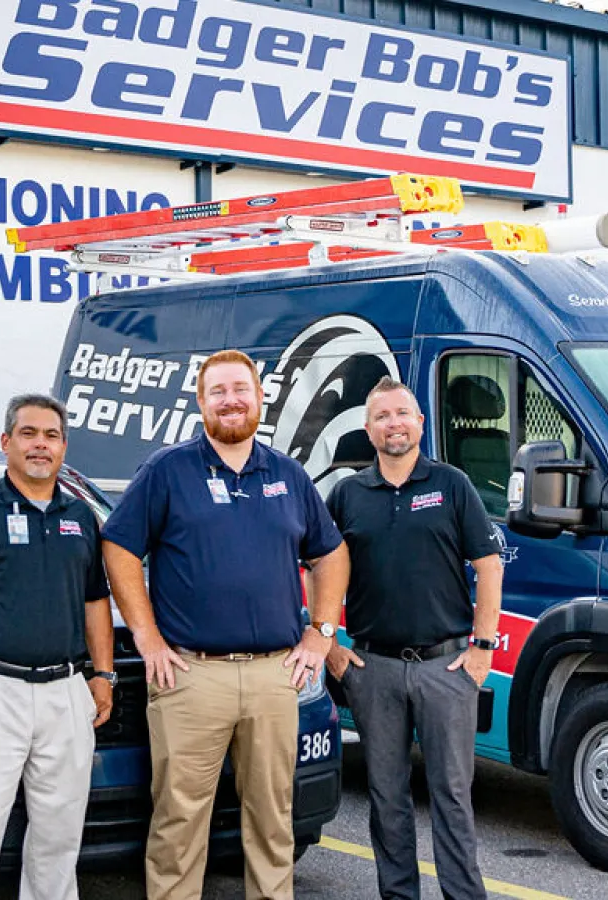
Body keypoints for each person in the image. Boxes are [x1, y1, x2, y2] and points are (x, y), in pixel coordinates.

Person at [102, 349, 350, 900]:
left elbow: (331, 554)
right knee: (178, 821)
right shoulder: (167, 472)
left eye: (241, 389)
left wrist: (321, 632)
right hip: (191, 676)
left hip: (273, 677)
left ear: (260, 398)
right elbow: (118, 547)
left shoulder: (286, 474)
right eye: (218, 391)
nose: (231, 400)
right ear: (201, 402)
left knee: (272, 820)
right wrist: (146, 637)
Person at [0, 394, 117, 900]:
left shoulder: (81, 516)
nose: (40, 445)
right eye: (29, 434)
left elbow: (96, 601)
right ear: (6, 442)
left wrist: (103, 675)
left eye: (51, 436)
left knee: (59, 837)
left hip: (66, 694)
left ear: (63, 447)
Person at [325, 376, 504, 900]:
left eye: (402, 414)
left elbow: (488, 567)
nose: (393, 424)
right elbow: (317, 568)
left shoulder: (451, 485)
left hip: (445, 668)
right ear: (368, 429)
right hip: (373, 669)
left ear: (420, 423)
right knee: (387, 796)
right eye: (382, 417)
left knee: (451, 794)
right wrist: (330, 643)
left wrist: (482, 647)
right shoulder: (347, 494)